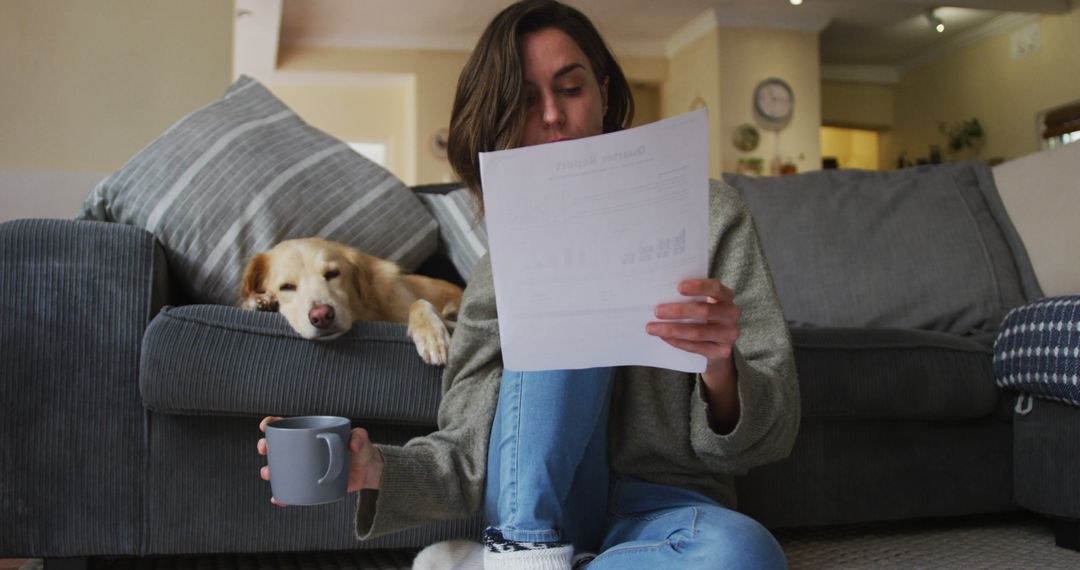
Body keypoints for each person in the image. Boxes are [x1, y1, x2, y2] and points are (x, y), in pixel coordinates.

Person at [258, 1, 799, 568]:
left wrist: (720, 367)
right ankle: (525, 549)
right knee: (561, 279)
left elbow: (774, 429)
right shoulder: (502, 265)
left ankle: (499, 565)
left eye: (570, 89)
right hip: (543, 505)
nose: (552, 116)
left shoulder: (714, 214)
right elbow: (469, 446)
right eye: (523, 100)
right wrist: (373, 468)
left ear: (605, 95)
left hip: (669, 509)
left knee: (746, 554)